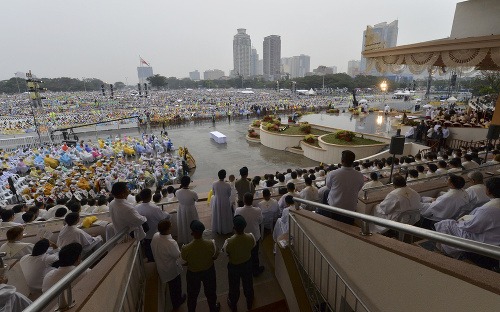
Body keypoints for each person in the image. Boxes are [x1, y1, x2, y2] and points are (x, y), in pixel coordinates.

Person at [434, 177, 500, 258]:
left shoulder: (488, 209)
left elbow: (472, 227)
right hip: (495, 235)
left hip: (487, 240)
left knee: (446, 223)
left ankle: (447, 252)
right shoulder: (491, 206)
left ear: (489, 191)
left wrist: (460, 222)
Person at [181, 220, 220, 312]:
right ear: (203, 232)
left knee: (192, 295)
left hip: (193, 274)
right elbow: (215, 256)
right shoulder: (211, 244)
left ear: (192, 233)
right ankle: (213, 308)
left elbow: (183, 262)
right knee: (211, 292)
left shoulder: (186, 248)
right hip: (209, 271)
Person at [223, 215, 256, 311]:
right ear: (245, 226)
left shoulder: (228, 242)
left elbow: (225, 253)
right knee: (248, 283)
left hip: (234, 267)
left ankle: (233, 304)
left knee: (234, 286)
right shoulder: (251, 237)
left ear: (234, 228)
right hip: (247, 264)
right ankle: (249, 301)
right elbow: (253, 246)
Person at [151, 219, 186, 310]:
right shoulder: (170, 243)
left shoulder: (155, 236)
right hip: (171, 269)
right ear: (168, 229)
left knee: (172, 286)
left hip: (161, 265)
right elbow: (179, 257)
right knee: (175, 286)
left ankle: (176, 300)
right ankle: (177, 303)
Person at [324, 150, 364, 225]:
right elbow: (359, 188)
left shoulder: (333, 174)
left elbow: (328, 186)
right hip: (351, 208)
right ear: (353, 161)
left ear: (342, 161)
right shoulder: (360, 175)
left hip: (335, 208)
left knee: (326, 193)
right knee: (348, 226)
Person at [136, 188, 171, 262]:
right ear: (149, 196)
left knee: (148, 249)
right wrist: (167, 214)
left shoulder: (137, 208)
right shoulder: (154, 208)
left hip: (144, 233)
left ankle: (150, 260)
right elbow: (163, 217)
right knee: (157, 250)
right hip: (154, 233)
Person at [234, 193, 264, 277]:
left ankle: (245, 271)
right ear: (252, 201)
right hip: (255, 236)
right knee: (255, 254)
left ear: (243, 200)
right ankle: (255, 270)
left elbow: (236, 221)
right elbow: (260, 221)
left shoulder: (238, 210)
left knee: (244, 253)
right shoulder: (257, 210)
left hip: (242, 235)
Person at [176, 176, 199, 245]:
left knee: (183, 223)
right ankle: (192, 238)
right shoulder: (193, 193)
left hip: (181, 209)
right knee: (191, 223)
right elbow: (196, 199)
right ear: (189, 183)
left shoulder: (177, 192)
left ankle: (184, 238)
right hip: (190, 209)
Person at [211, 169, 233, 235]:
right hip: (225, 201)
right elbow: (229, 194)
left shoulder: (214, 183)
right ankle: (225, 229)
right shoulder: (227, 185)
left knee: (217, 214)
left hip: (217, 200)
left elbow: (214, 193)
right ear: (225, 176)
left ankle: (218, 228)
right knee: (225, 214)